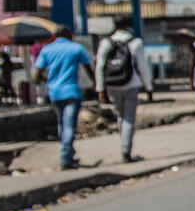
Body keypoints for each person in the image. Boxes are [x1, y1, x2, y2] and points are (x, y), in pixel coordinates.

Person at [32, 24, 93, 170]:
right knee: (69, 125)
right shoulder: (76, 48)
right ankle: (66, 158)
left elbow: (36, 75)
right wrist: (96, 85)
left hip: (54, 93)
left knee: (61, 124)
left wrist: (49, 81)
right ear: (69, 35)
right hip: (72, 92)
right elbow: (89, 69)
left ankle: (68, 153)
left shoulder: (47, 50)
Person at [95, 14, 153, 164]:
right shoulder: (135, 42)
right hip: (131, 84)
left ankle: (124, 146)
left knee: (120, 116)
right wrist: (149, 87)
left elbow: (100, 66)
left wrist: (100, 88)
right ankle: (125, 151)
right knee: (128, 118)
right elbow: (143, 67)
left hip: (113, 85)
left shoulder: (106, 42)